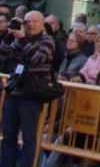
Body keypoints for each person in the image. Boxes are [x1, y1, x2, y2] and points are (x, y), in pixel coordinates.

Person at [0, 11, 56, 167]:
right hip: (14, 92)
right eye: (27, 21)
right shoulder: (19, 39)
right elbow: (2, 54)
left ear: (42, 23)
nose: (31, 24)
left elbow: (37, 60)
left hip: (31, 95)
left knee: (28, 138)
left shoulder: (47, 41)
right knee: (8, 136)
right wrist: (10, 34)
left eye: (35, 21)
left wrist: (22, 39)